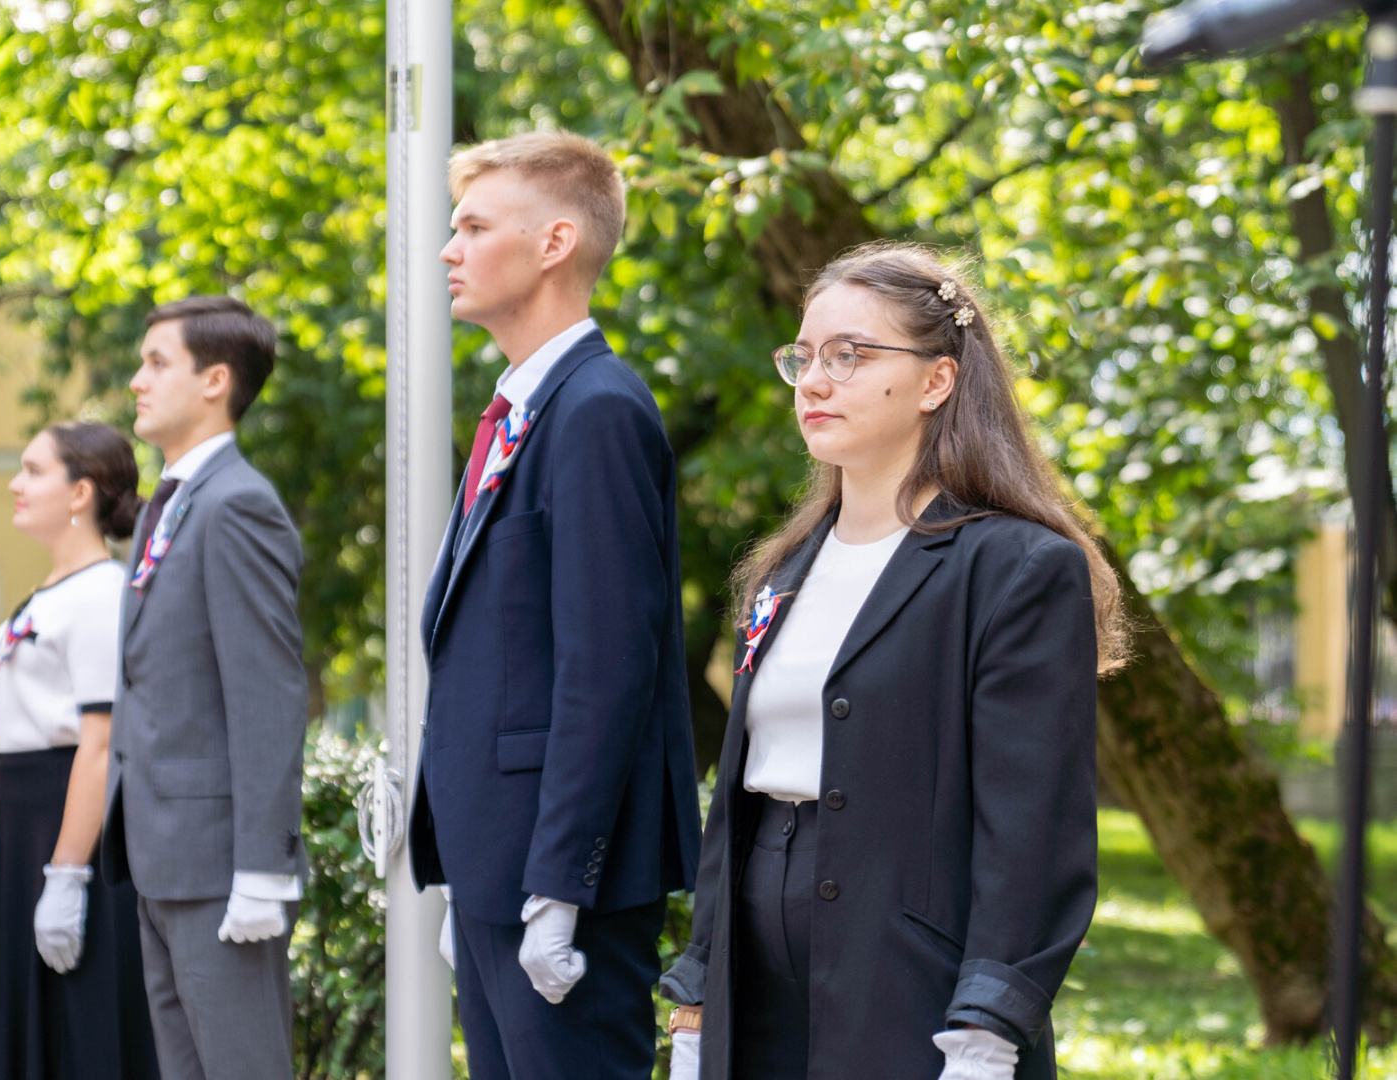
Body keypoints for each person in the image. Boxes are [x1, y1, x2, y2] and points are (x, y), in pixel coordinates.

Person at [659, 243, 1129, 1080]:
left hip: (911, 989)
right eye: (803, 357)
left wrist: (986, 1030)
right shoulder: (781, 570)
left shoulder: (1016, 568)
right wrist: (697, 995)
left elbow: (1034, 830)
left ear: (936, 381)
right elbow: (738, 803)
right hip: (752, 990)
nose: (813, 381)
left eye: (849, 355)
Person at [408, 130, 704, 1080]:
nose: (448, 250)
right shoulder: (522, 410)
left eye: (473, 227)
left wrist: (558, 888)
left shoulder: (598, 409)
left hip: (560, 878)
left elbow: (607, 666)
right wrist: (471, 876)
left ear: (555, 243)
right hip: (498, 869)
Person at [101, 296, 309, 1080]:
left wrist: (262, 867)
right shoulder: (172, 503)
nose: (137, 381)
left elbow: (268, 694)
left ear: (215, 380)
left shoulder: (237, 504)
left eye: (157, 363)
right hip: (162, 856)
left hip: (221, 866)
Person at [0, 421, 161, 1080]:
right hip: (23, 820)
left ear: (81, 492)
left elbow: (101, 742)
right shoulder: (56, 590)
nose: (15, 484)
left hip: (69, 823)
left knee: (78, 1026)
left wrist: (67, 875)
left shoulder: (101, 594)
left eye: (33, 471)